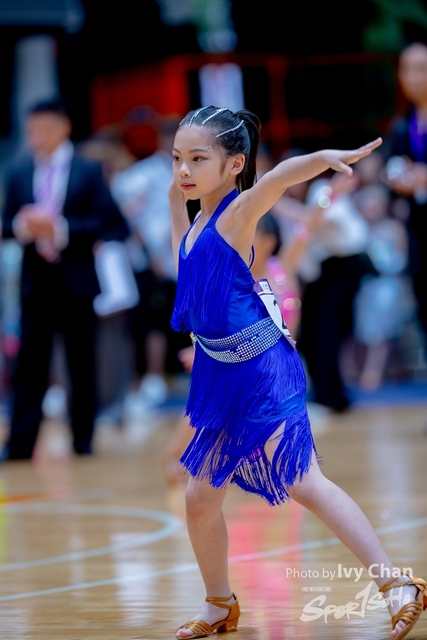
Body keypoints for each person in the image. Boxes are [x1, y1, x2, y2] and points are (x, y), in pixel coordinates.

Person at [168, 105, 426, 640]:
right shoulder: (187, 215)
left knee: (303, 481)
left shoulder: (238, 213)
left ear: (235, 164)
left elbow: (281, 177)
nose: (184, 170)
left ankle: (398, 583)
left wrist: (323, 159)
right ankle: (220, 605)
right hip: (218, 374)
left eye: (198, 158)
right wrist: (178, 191)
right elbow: (190, 283)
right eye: (177, 158)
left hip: (260, 370)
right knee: (199, 498)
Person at [1, 98, 129, 459]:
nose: (36, 137)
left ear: (63, 127)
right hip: (35, 283)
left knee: (81, 364)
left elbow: (113, 224)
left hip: (76, 281)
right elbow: (7, 223)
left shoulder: (88, 171)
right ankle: (20, 444)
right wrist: (21, 226)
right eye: (31, 131)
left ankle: (83, 440)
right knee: (29, 366)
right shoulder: (20, 171)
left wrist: (60, 229)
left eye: (43, 129)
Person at [385, 42, 427, 344]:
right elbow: (391, 169)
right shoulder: (402, 125)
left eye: (421, 69)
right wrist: (394, 178)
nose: (413, 77)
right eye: (407, 70)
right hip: (418, 232)